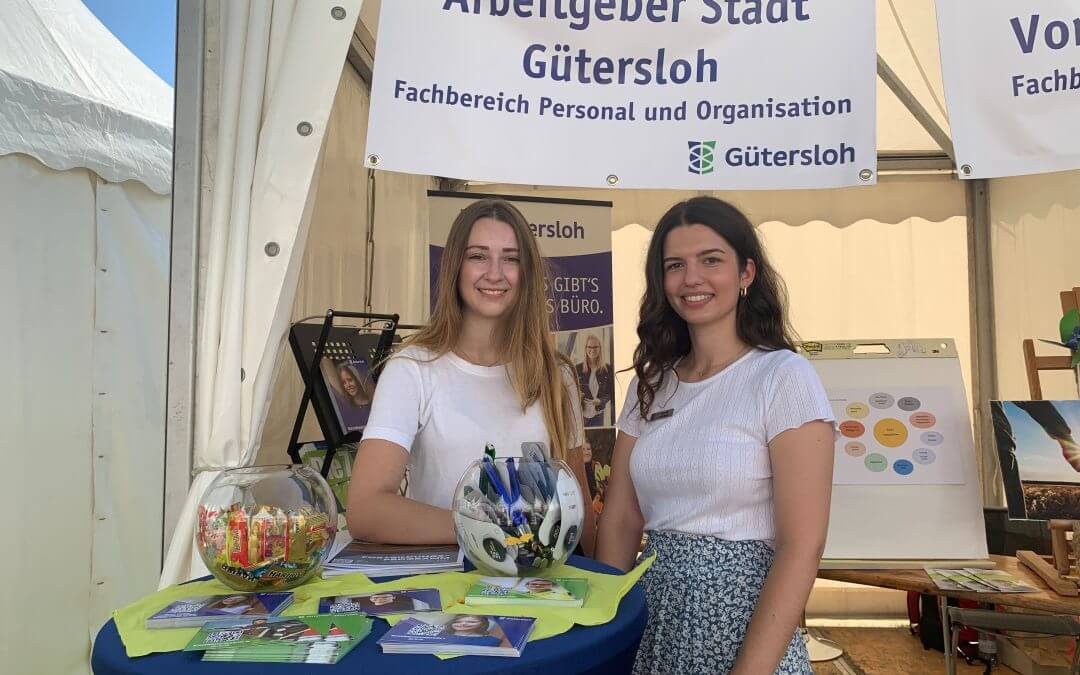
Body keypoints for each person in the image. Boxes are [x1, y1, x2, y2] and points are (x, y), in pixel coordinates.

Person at [595, 197, 835, 675]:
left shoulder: (782, 377)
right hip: (653, 622)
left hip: (745, 630)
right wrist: (603, 634)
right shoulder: (651, 384)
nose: (692, 279)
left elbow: (801, 545)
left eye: (711, 260)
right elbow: (621, 518)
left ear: (746, 272)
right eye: (675, 265)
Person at [346, 198, 595, 553]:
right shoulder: (412, 370)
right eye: (478, 256)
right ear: (455, 267)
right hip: (447, 595)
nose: (495, 272)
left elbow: (578, 502)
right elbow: (366, 510)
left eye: (511, 258)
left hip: (541, 592)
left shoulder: (557, 375)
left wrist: (600, 582)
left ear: (527, 274)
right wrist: (493, 527)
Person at [576, 334, 614, 427]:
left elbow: (611, 393)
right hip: (581, 415)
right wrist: (579, 395)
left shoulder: (607, 369)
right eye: (589, 347)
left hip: (598, 415)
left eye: (595, 347)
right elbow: (572, 390)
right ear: (585, 348)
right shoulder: (577, 368)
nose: (592, 350)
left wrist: (600, 401)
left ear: (600, 348)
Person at [440, 614, 508, 647]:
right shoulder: (441, 635)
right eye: (458, 621)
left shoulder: (490, 640)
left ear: (482, 624)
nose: (463, 624)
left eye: (471, 622)